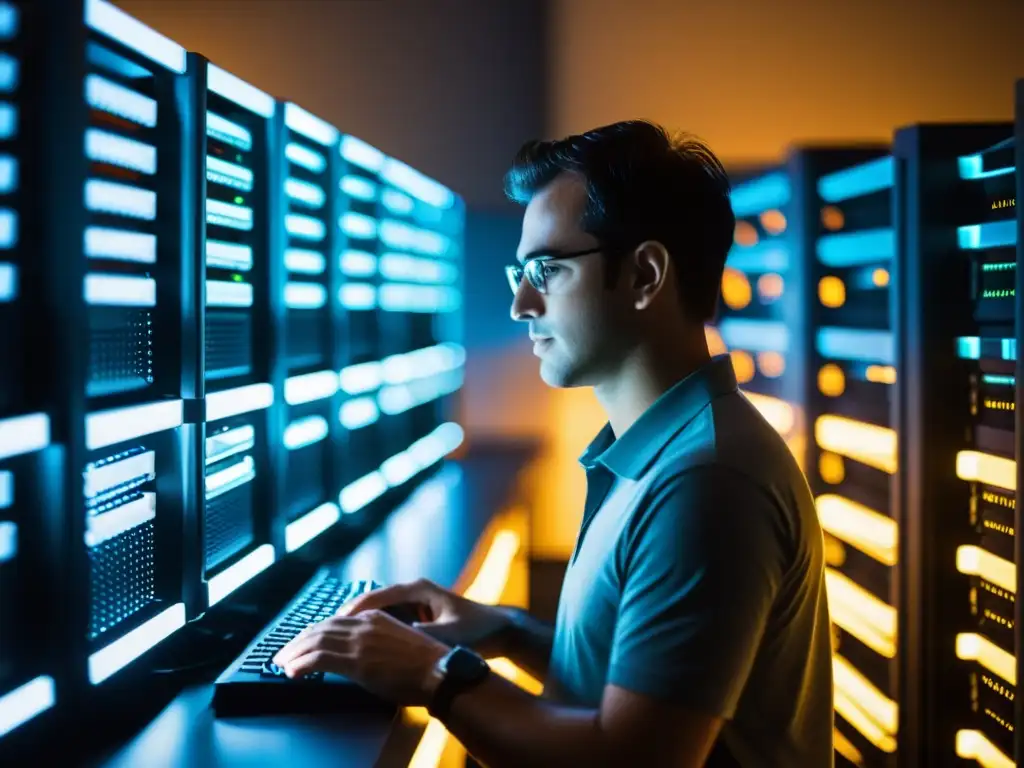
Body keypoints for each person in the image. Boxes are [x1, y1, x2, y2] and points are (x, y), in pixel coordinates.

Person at [274, 120, 834, 767]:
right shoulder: (665, 453)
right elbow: (647, 681)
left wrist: (436, 675)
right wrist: (510, 630)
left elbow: (630, 761)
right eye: (521, 269)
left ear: (646, 274)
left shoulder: (705, 481)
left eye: (546, 268)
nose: (519, 302)